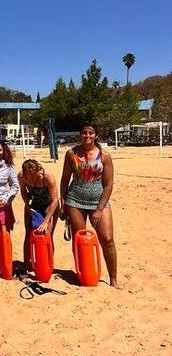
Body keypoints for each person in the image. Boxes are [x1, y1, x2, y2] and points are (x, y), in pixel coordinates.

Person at [60, 122, 118, 288]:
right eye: (84, 133)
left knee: (107, 240)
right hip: (74, 200)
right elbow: (65, 180)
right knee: (80, 240)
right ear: (80, 134)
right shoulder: (71, 153)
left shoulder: (104, 156)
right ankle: (84, 274)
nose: (87, 136)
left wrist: (99, 209)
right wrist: (62, 202)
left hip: (98, 201)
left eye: (90, 133)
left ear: (96, 135)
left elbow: (108, 185)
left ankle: (113, 279)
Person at [19, 159, 60, 272]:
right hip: (33, 204)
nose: (31, 178)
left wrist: (46, 221)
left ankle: (47, 265)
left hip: (49, 205)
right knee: (29, 234)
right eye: (28, 175)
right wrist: (28, 205)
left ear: (38, 170)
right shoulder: (21, 176)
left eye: (33, 175)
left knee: (47, 234)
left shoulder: (47, 177)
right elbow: (23, 192)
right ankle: (26, 265)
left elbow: (55, 200)